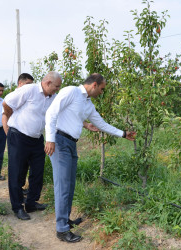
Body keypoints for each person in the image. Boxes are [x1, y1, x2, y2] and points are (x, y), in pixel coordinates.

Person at [45, 73, 136, 243]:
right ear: (94, 85)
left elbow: (101, 124)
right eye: (102, 89)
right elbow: (51, 113)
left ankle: (65, 220)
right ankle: (61, 230)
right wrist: (50, 139)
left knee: (70, 184)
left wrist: (123, 134)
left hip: (71, 144)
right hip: (59, 141)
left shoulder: (87, 104)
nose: (102, 92)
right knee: (62, 186)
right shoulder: (71, 92)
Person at [2, 72, 61, 220]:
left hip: (36, 139)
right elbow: (7, 103)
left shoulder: (53, 98)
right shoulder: (29, 90)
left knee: (37, 171)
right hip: (18, 136)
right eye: (56, 86)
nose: (57, 90)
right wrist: (10, 122)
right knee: (16, 172)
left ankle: (31, 203)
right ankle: (17, 207)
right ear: (47, 83)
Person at [2, 73, 34, 197]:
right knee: (17, 166)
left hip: (27, 138)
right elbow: (4, 116)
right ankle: (17, 194)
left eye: (31, 84)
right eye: (27, 84)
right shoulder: (12, 96)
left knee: (25, 165)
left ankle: (21, 188)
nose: (29, 87)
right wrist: (8, 134)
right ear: (20, 83)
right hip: (16, 137)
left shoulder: (28, 96)